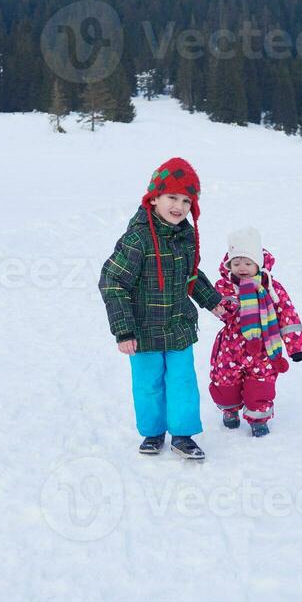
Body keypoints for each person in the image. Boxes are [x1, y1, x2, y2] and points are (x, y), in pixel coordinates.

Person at [99, 157, 232, 460]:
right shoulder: (138, 239)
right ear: (154, 198)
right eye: (172, 197)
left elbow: (192, 275)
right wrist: (123, 331)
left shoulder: (184, 236)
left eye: (187, 200)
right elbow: (112, 282)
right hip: (143, 331)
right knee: (148, 385)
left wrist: (214, 302)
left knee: (183, 382)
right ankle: (153, 431)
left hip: (178, 327)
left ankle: (183, 436)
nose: (179, 206)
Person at [209, 227, 302, 437]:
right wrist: (219, 308)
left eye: (247, 263)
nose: (242, 268)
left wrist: (296, 347)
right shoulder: (225, 286)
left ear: (258, 264)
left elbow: (288, 316)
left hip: (263, 349)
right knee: (225, 382)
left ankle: (258, 418)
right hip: (230, 349)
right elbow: (222, 310)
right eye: (236, 263)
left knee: (261, 384)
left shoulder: (272, 288)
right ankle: (229, 410)